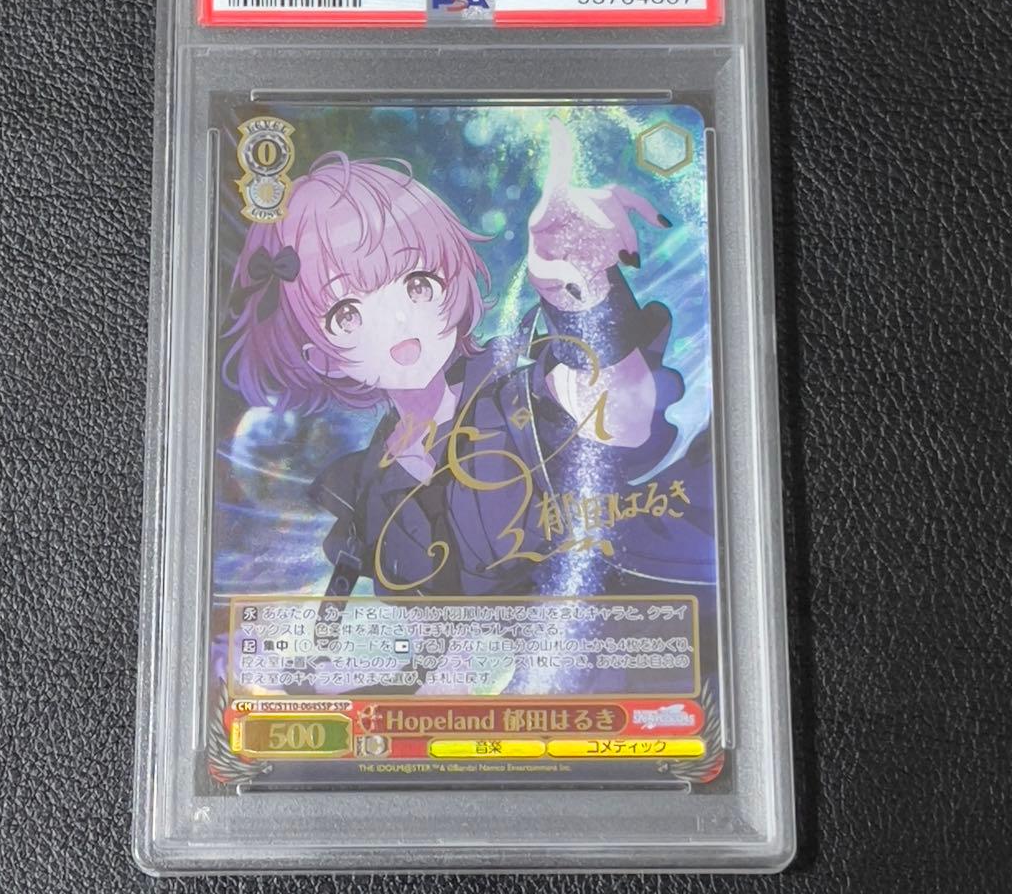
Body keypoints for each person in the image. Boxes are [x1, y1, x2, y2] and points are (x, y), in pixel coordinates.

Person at [223, 119, 715, 600]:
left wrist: (578, 288)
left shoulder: (514, 391)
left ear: (454, 282)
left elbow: (622, 417)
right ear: (324, 359)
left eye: (418, 284)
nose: (398, 320)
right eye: (347, 314)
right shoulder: (368, 487)